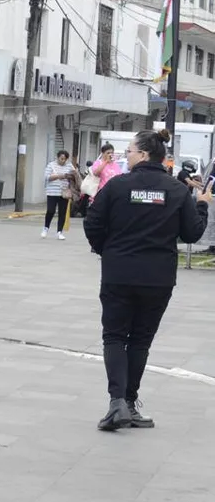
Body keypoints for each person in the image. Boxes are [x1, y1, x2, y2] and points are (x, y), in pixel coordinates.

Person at [84, 128, 209, 431]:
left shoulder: (116, 187)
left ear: (143, 154)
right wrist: (202, 203)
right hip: (158, 277)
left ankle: (117, 403)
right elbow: (192, 234)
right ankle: (128, 402)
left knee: (114, 336)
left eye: (128, 152)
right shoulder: (177, 191)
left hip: (119, 273)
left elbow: (92, 222)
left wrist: (108, 251)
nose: (125, 156)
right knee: (140, 340)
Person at [42, 150, 78, 240]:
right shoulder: (51, 165)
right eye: (61, 158)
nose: (63, 161)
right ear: (57, 157)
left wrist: (72, 176)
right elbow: (47, 177)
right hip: (52, 192)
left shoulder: (69, 165)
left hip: (64, 192)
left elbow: (75, 176)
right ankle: (46, 228)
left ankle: (59, 232)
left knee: (62, 212)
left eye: (64, 159)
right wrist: (59, 176)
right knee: (51, 210)